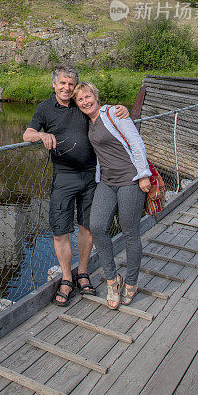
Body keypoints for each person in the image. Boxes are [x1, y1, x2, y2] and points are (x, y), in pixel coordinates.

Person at [23, 66, 129, 307]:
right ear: (54, 84)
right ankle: (67, 278)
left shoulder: (81, 103)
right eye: (62, 83)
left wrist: (120, 109)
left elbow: (101, 112)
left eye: (71, 84)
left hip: (91, 174)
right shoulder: (45, 108)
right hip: (64, 176)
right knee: (60, 231)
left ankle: (82, 273)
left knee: (88, 227)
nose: (67, 88)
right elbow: (27, 134)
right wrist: (41, 136)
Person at [73, 81, 151, 309]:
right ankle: (112, 279)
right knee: (97, 226)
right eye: (80, 99)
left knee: (129, 232)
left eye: (88, 97)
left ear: (96, 96)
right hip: (106, 181)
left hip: (130, 179)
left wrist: (143, 174)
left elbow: (136, 143)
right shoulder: (89, 122)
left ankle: (132, 282)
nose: (85, 102)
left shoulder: (113, 113)